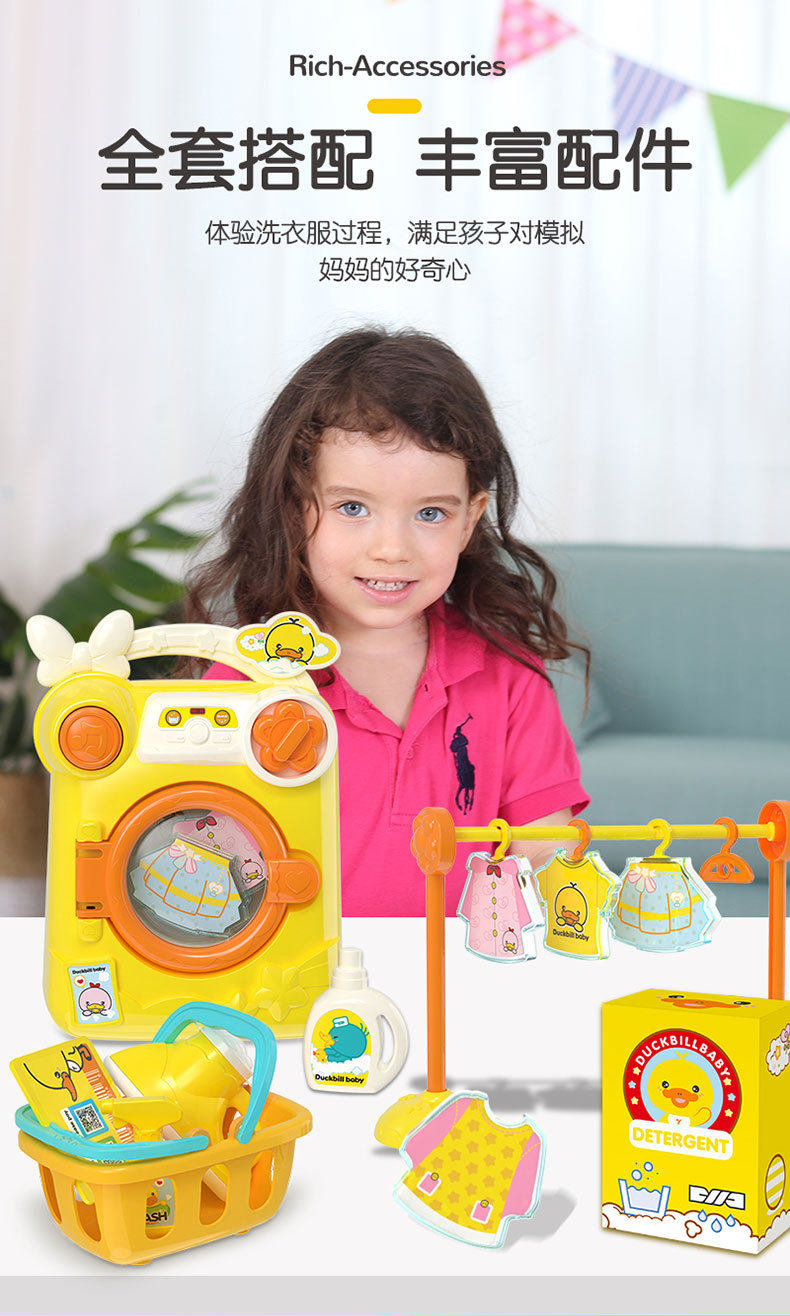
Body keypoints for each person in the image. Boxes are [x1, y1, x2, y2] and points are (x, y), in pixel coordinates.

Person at [187, 328, 590, 915]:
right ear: (296, 506)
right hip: (302, 969)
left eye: (430, 514)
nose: (392, 549)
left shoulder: (510, 680)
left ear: (470, 518)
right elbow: (205, 867)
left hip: (463, 965)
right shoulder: (245, 682)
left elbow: (548, 861)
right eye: (353, 507)